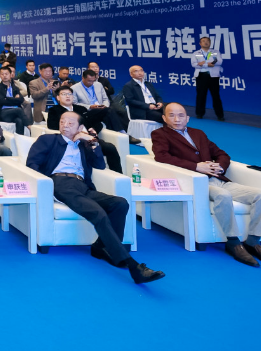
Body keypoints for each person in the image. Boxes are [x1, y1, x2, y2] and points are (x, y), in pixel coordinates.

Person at [27, 110, 164, 283]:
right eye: (62, 122)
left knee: (120, 203)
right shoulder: (48, 139)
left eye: (70, 123)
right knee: (97, 213)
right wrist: (45, 186)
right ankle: (132, 266)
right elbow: (32, 163)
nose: (65, 126)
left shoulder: (85, 144)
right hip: (60, 183)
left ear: (80, 127)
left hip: (83, 186)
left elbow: (99, 164)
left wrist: (92, 142)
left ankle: (100, 247)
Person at [152, 103, 261, 267]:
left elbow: (222, 154)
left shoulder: (198, 133)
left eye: (181, 115)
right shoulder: (160, 134)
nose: (177, 119)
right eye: (171, 115)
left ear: (187, 118)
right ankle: (233, 243)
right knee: (222, 195)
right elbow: (162, 157)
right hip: (196, 183)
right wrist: (196, 167)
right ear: (164, 118)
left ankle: (253, 242)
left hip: (218, 179)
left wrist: (219, 167)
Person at [47, 86, 122, 173]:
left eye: (70, 94)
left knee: (110, 147)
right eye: (64, 94)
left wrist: (93, 129)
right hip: (73, 140)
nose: (67, 96)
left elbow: (94, 122)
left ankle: (118, 175)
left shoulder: (81, 109)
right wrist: (72, 128)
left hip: (88, 138)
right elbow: (52, 125)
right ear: (58, 97)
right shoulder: (54, 110)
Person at [73, 69, 138, 142]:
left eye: (93, 81)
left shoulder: (98, 84)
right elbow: (75, 104)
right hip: (88, 112)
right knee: (110, 111)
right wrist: (90, 106)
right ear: (83, 78)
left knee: (112, 112)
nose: (91, 83)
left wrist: (104, 105)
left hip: (102, 109)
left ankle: (119, 136)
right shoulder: (74, 88)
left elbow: (105, 98)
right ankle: (123, 133)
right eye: (89, 81)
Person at [191, 36, 224, 121]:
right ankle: (199, 114)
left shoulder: (215, 52)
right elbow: (194, 64)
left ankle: (220, 115)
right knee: (201, 95)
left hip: (213, 77)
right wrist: (207, 64)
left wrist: (204, 63)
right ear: (200, 43)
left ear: (210, 43)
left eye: (207, 41)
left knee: (216, 96)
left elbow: (219, 61)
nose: (206, 42)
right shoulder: (196, 53)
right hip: (201, 76)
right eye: (203, 41)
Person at [0, 66, 31, 135]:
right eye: (2, 74)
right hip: (3, 112)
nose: (4, 76)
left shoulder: (15, 87)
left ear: (10, 75)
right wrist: (15, 99)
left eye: (6, 74)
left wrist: (7, 98)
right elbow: (1, 101)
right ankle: (29, 126)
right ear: (0, 75)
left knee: (19, 121)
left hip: (14, 113)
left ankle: (19, 139)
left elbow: (21, 100)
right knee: (19, 110)